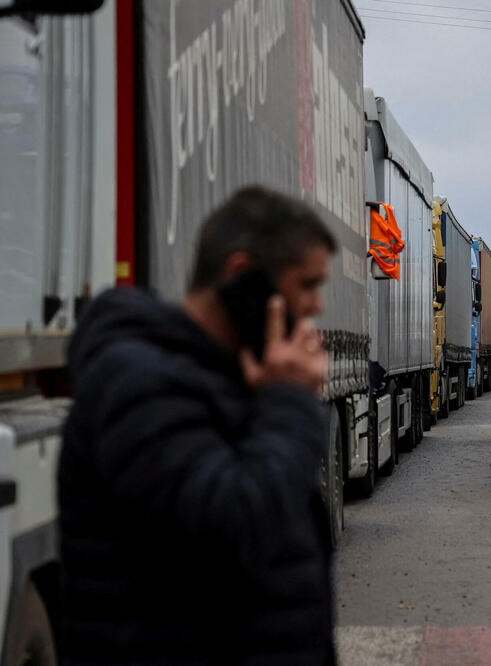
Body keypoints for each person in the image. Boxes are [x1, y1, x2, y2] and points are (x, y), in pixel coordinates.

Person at [57, 186, 339, 664]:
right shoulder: (138, 382)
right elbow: (232, 527)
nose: (317, 307)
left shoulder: (226, 375)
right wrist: (290, 403)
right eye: (306, 285)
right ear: (243, 276)